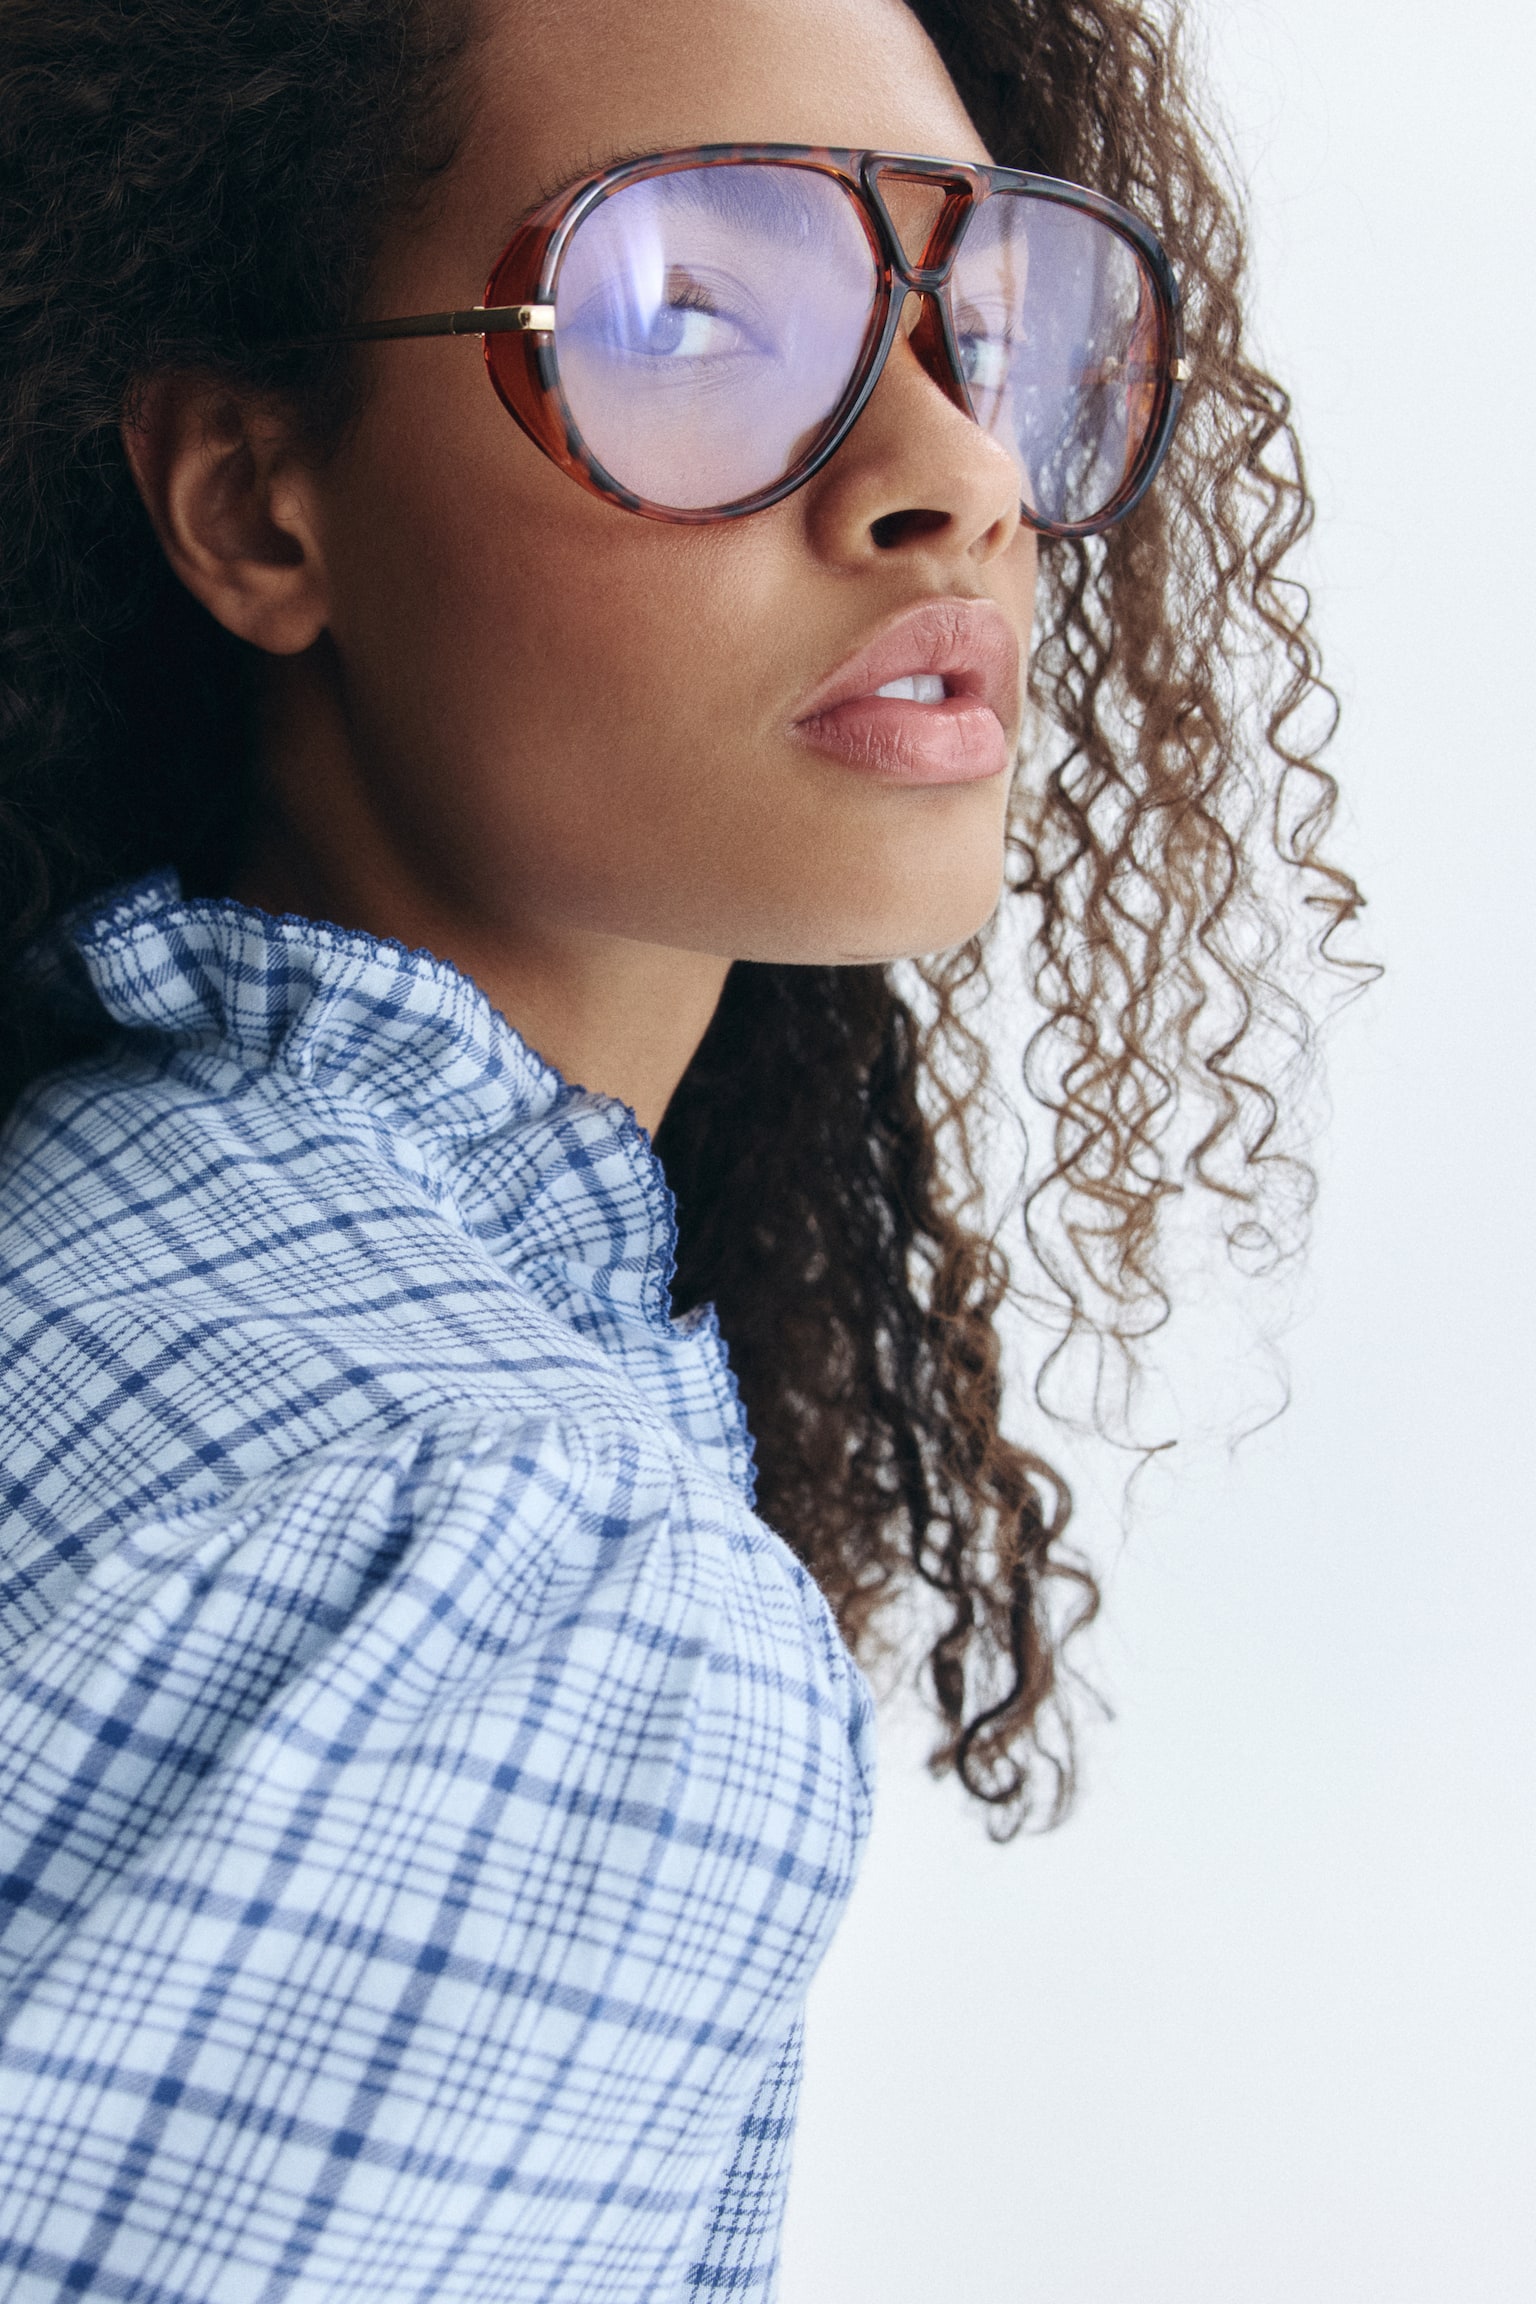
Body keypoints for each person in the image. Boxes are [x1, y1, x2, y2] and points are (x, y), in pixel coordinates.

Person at [0, 0, 1360, 2294]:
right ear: (251, 499)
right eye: (698, 309)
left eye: (986, 316)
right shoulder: (521, 1571)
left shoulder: (106, 1208)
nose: (955, 474)